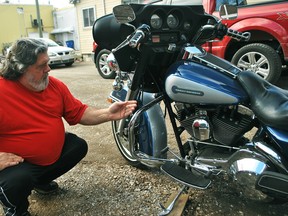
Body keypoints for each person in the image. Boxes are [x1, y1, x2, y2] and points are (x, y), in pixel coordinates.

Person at [0, 38, 137, 216]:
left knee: (77, 146)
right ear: (21, 69)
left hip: (40, 162)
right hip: (17, 165)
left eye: (48, 63)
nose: (48, 69)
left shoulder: (54, 86)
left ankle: (40, 182)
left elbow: (79, 112)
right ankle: (15, 209)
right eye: (42, 66)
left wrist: (108, 114)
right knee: (16, 181)